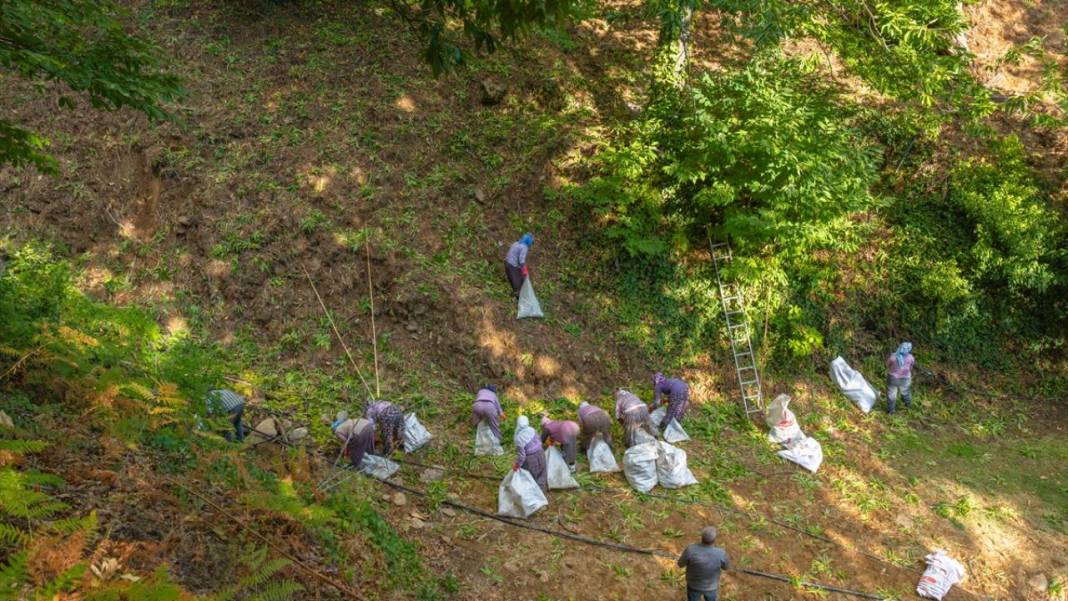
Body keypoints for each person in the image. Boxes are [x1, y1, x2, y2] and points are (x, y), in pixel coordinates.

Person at [677, 527, 730, 601]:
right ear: (714, 540)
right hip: (711, 587)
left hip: (693, 585)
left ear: (701, 537)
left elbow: (680, 564)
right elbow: (726, 567)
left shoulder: (691, 549)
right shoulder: (721, 553)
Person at [513, 415, 548, 492]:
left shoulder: (519, 438)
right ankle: (541, 491)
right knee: (542, 472)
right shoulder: (532, 430)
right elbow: (539, 439)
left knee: (532, 475)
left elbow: (522, 456)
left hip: (530, 458)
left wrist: (517, 465)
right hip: (541, 453)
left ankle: (534, 495)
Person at [886, 341, 915, 414]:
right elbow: (911, 367)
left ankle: (891, 411)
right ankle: (908, 406)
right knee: (905, 392)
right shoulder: (911, 357)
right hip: (905, 379)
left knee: (891, 394)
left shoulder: (893, 357)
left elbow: (887, 365)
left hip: (893, 378)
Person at [504, 232, 534, 298]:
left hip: (507, 263)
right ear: (529, 241)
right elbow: (521, 261)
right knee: (518, 286)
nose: (531, 245)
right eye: (531, 243)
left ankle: (514, 296)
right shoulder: (524, 247)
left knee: (516, 283)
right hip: (512, 266)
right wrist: (524, 270)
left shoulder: (516, 243)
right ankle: (517, 298)